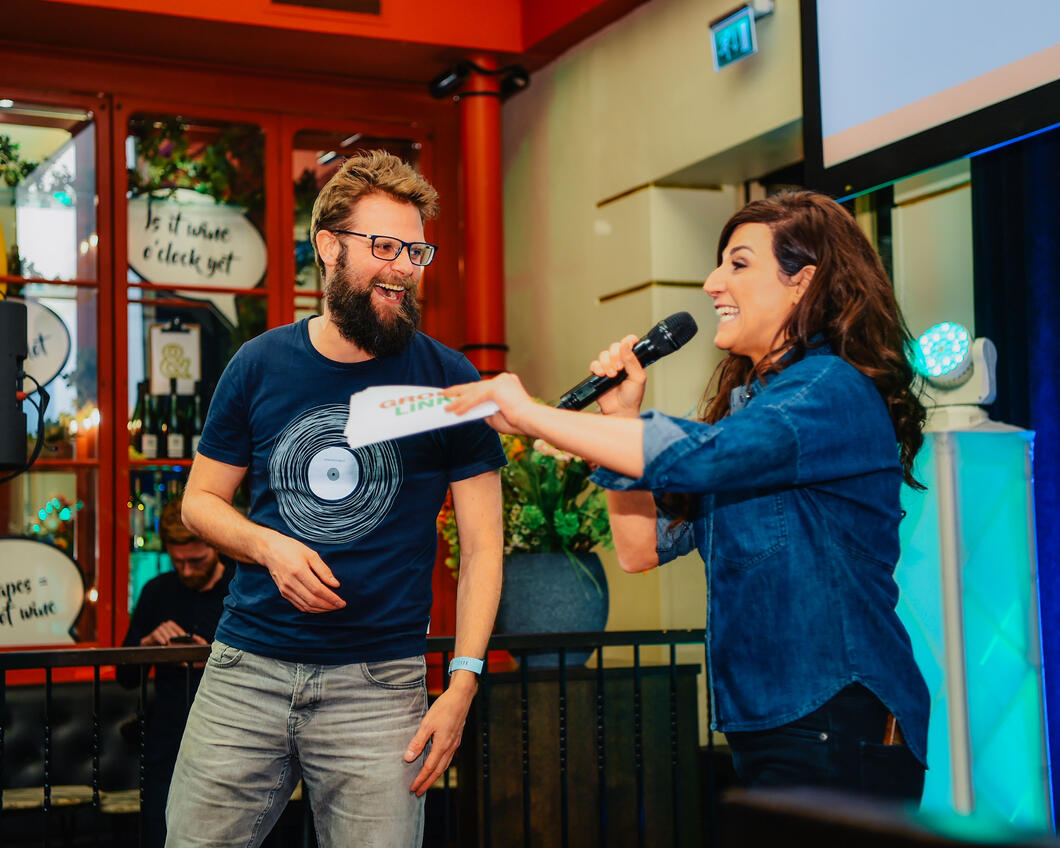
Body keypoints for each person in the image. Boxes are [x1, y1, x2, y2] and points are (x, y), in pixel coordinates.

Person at [446, 190, 930, 802]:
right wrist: (622, 413)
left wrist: (536, 416)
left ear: (803, 282)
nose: (711, 283)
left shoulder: (828, 390)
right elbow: (640, 549)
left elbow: (703, 455)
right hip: (773, 720)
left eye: (738, 263)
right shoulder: (757, 407)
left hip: (836, 712)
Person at [168, 150, 505, 847]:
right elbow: (200, 502)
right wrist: (269, 547)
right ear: (327, 247)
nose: (404, 267)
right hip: (246, 670)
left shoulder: (448, 381)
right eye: (383, 247)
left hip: (381, 687)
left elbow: (481, 548)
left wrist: (463, 681)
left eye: (415, 250)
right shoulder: (258, 365)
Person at [119, 495, 232, 848]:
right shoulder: (157, 591)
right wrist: (148, 646)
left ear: (213, 545)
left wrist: (214, 657)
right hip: (167, 736)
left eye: (195, 561)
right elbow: (125, 678)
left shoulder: (242, 589)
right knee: (161, 829)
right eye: (178, 561)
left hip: (229, 734)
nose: (186, 571)